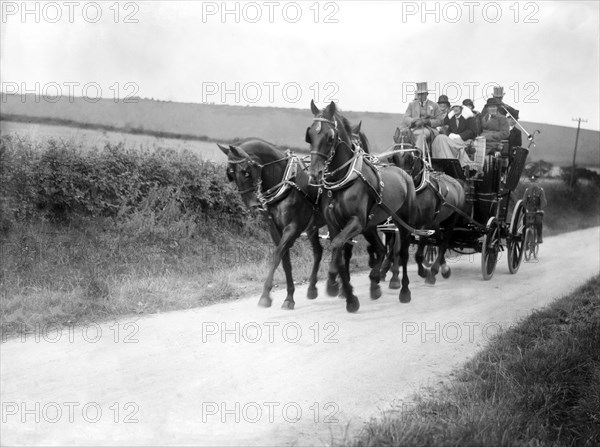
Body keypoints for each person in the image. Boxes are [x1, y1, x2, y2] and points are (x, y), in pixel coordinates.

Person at [401, 82, 445, 153]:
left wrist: (428, 122)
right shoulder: (411, 105)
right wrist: (414, 121)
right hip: (414, 128)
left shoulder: (434, 105)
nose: (420, 96)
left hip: (428, 129)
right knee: (401, 135)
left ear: (427, 94)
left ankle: (418, 153)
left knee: (422, 135)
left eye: (422, 94)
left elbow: (440, 120)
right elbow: (405, 117)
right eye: (418, 94)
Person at [431, 104, 476, 168]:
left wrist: (459, 136)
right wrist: (448, 134)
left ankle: (452, 164)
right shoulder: (451, 118)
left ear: (461, 108)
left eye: (457, 107)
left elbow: (472, 131)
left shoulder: (468, 118)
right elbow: (447, 128)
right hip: (453, 140)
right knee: (439, 139)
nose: (455, 109)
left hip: (465, 140)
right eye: (454, 107)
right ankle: (445, 162)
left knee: (442, 139)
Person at [523, 175, 547, 243]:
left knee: (539, 222)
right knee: (524, 222)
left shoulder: (540, 191)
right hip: (529, 211)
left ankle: (539, 236)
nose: (533, 183)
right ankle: (523, 237)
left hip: (537, 211)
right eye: (532, 182)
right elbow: (524, 201)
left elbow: (544, 201)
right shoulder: (527, 191)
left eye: (535, 182)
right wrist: (525, 209)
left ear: (537, 182)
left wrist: (540, 208)